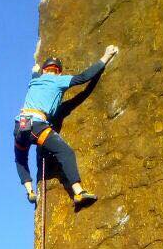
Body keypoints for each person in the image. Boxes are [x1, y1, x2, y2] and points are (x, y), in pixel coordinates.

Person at [14, 45, 119, 210]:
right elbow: (84, 77)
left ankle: (30, 191)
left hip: (21, 123)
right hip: (36, 125)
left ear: (44, 70)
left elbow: (34, 72)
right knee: (65, 152)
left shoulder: (34, 80)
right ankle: (78, 192)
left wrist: (34, 69)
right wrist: (106, 57)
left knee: (20, 158)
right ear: (58, 71)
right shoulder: (59, 80)